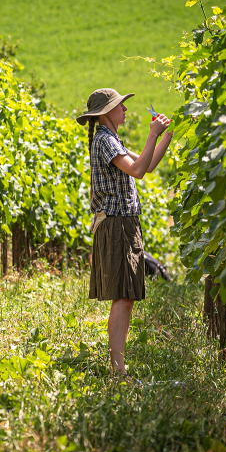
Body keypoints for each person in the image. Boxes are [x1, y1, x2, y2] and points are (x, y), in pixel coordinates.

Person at [76, 88, 173, 378]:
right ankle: (118, 370)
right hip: (116, 223)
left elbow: (148, 165)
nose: (125, 109)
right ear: (106, 112)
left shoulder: (111, 139)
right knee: (122, 296)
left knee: (126, 296)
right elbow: (138, 171)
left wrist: (166, 135)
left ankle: (119, 367)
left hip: (124, 222)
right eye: (120, 106)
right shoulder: (105, 141)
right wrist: (152, 134)